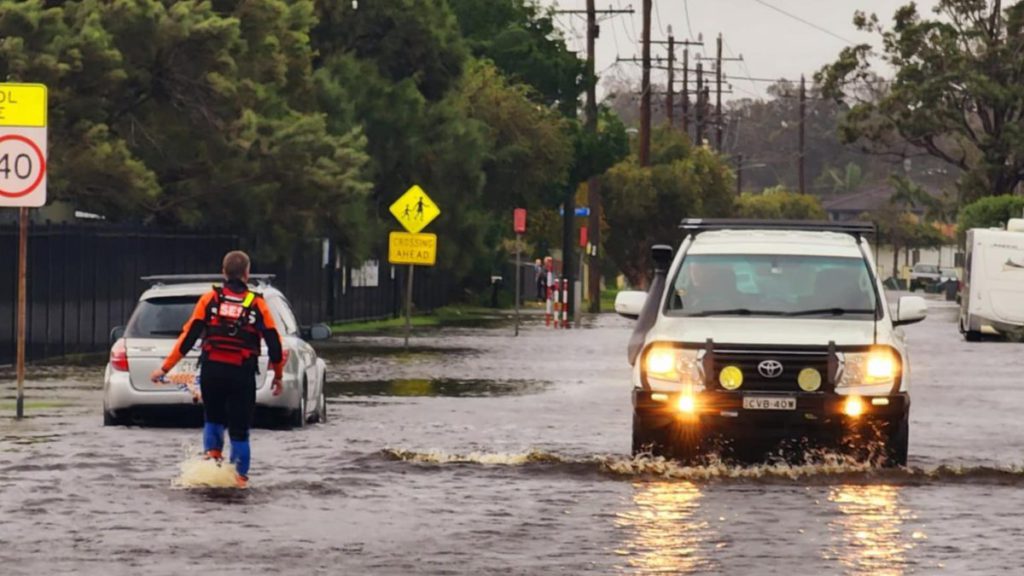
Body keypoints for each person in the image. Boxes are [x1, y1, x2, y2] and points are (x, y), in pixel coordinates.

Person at [150, 251, 284, 488]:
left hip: (212, 372)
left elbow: (188, 337)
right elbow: (274, 344)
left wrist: (165, 368)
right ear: (246, 274)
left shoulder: (210, 300)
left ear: (224, 273)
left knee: (213, 420)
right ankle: (239, 481)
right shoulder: (257, 304)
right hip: (242, 375)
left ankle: (211, 466)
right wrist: (278, 376)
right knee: (239, 431)